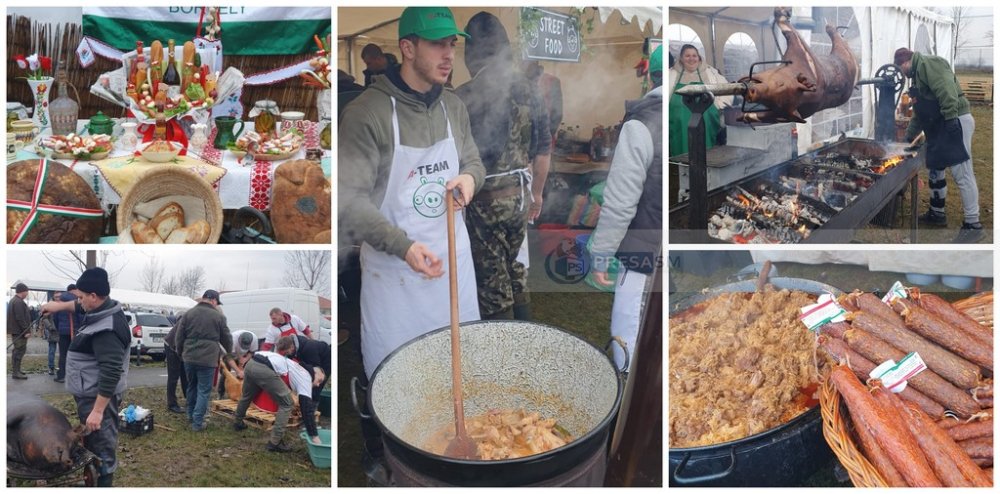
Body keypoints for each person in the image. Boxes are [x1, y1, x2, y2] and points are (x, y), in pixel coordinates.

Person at [339, 6, 485, 379]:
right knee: (399, 383)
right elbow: (350, 201)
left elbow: (474, 163)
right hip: (395, 279)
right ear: (407, 48)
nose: (449, 54)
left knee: (460, 375)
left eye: (452, 44)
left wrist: (470, 180)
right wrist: (403, 246)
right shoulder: (366, 113)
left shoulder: (453, 106)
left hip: (454, 268)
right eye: (437, 44)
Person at [456, 12, 551, 320]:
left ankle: (506, 357)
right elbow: (543, 150)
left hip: (484, 203)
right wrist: (537, 194)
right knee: (516, 271)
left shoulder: (464, 97)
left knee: (493, 283)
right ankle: (526, 336)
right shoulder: (530, 90)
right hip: (520, 197)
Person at [590, 45, 664, 370]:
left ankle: (629, 410)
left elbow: (621, 203)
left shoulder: (642, 123)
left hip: (642, 254)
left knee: (628, 338)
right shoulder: (692, 113)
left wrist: (601, 254)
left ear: (650, 77)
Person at [40, 268, 130, 487]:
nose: (78, 302)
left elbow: (111, 371)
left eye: (81, 297)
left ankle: (103, 482)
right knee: (92, 442)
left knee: (102, 446)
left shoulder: (107, 329)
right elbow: (77, 307)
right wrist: (58, 306)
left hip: (97, 398)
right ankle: (93, 479)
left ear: (93, 296)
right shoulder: (103, 307)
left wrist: (98, 411)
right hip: (90, 392)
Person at [894, 47, 982, 243]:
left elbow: (946, 90)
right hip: (940, 124)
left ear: (905, 62)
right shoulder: (916, 77)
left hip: (955, 120)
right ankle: (937, 212)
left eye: (901, 70)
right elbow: (919, 114)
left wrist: (951, 118)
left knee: (962, 171)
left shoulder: (927, 64)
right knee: (935, 166)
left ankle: (973, 224)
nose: (903, 74)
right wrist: (908, 138)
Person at [232, 337, 322, 450]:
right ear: (315, 373)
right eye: (319, 380)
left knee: (247, 396)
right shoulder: (306, 378)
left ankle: (237, 422)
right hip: (264, 367)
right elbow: (307, 409)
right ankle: (275, 442)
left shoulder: (297, 367)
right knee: (287, 404)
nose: (318, 384)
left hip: (252, 362)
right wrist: (314, 435)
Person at [668, 44, 730, 203]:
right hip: (679, 127)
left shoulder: (709, 72)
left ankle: (707, 184)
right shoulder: (672, 75)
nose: (691, 58)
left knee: (705, 154)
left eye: (694, 55)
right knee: (684, 155)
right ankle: (686, 187)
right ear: (681, 58)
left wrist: (719, 106)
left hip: (706, 122)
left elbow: (727, 90)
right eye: (687, 55)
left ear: (699, 57)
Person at [175, 289, 232, 431]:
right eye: (217, 302)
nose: (217, 305)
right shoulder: (218, 317)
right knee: (203, 390)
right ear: (213, 300)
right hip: (207, 359)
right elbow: (227, 338)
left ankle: (190, 415)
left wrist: (180, 352)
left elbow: (179, 336)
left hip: (189, 356)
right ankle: (197, 423)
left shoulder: (188, 313)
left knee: (191, 386)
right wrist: (229, 352)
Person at [280, 334, 331, 402]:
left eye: (287, 352)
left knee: (316, 385)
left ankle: (313, 406)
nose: (287, 354)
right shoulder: (293, 348)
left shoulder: (309, 348)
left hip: (325, 361)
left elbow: (316, 370)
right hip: (312, 360)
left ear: (292, 347)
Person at [52, 283, 81, 383]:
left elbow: (55, 317)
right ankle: (73, 376)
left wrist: (59, 328)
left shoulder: (59, 301)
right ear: (74, 290)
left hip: (63, 331)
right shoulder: (77, 301)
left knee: (63, 354)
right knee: (75, 354)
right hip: (75, 331)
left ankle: (61, 376)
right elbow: (80, 316)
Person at [218, 329, 257, 399]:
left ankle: (241, 393)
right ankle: (221, 393)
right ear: (239, 340)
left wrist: (245, 359)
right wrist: (238, 371)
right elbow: (229, 357)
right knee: (225, 373)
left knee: (245, 374)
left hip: (244, 355)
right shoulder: (232, 340)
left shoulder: (254, 339)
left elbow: (252, 352)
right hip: (230, 354)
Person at [163, 311, 188, 414]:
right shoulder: (190, 319)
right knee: (174, 376)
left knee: (185, 375)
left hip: (181, 348)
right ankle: (172, 404)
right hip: (172, 346)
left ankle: (190, 400)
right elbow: (178, 338)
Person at [7, 283, 32, 380]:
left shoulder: (14, 300)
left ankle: (17, 370)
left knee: (18, 351)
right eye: (27, 292)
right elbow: (20, 318)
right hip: (20, 332)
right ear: (23, 291)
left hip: (17, 330)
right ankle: (16, 372)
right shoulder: (18, 302)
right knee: (19, 351)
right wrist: (26, 330)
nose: (27, 294)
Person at [42, 294, 60, 375]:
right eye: (56, 297)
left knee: (62, 352)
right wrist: (50, 327)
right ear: (53, 297)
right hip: (52, 332)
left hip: (62, 332)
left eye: (60, 296)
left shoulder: (63, 305)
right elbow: (44, 318)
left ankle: (61, 368)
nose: (58, 298)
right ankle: (51, 367)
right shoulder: (49, 306)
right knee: (52, 351)